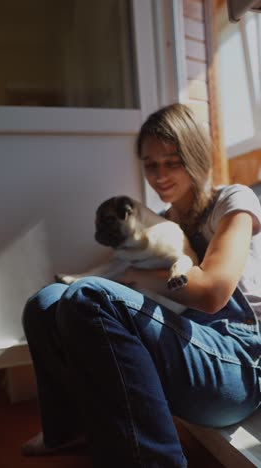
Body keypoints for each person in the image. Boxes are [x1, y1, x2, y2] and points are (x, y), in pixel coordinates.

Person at [22, 103, 261, 468]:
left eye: (172, 161)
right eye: (151, 165)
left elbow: (213, 293)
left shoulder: (234, 201)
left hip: (237, 361)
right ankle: (69, 428)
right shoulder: (158, 224)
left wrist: (135, 278)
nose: (160, 175)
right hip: (183, 341)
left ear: (195, 155)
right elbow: (112, 275)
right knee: (45, 303)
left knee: (89, 298)